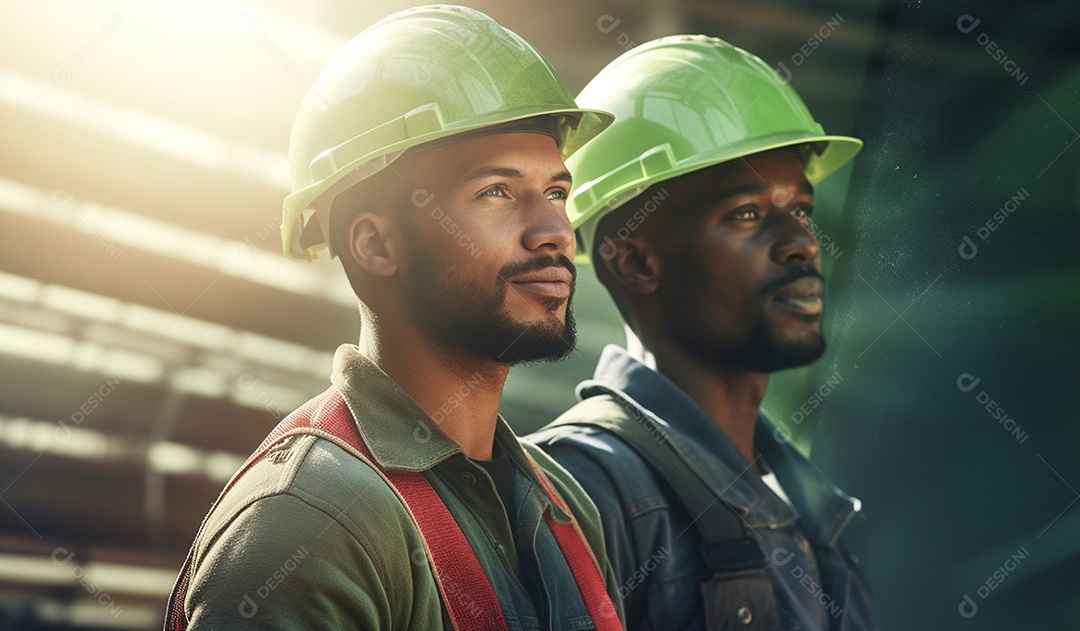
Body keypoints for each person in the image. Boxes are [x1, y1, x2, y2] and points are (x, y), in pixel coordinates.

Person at [164, 6, 622, 629]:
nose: (554, 234)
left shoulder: (567, 510)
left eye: (557, 193)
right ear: (376, 245)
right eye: (496, 192)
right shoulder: (308, 522)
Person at [530, 36, 875, 630]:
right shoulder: (582, 491)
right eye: (746, 213)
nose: (802, 243)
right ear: (635, 262)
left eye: (800, 210)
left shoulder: (809, 511)